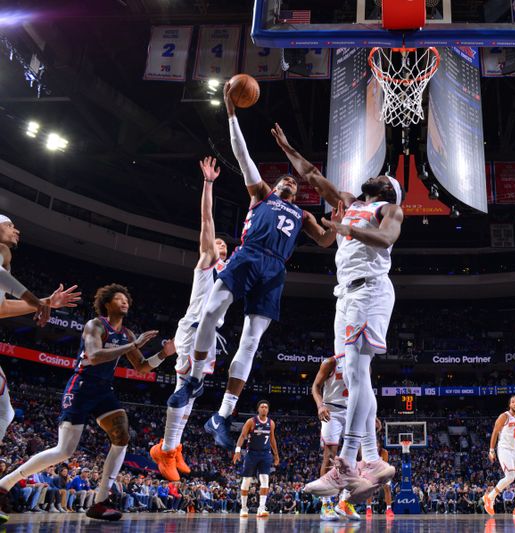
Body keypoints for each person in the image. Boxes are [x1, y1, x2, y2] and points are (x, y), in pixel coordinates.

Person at [169, 84, 337, 451]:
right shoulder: (261, 194)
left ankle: (222, 415)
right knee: (211, 311)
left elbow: (326, 241)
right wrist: (231, 113)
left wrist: (338, 224)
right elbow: (242, 155)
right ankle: (195, 378)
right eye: (285, 179)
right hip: (249, 254)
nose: (290, 181)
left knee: (251, 341)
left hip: (275, 270)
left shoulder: (303, 213)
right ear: (275, 186)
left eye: (294, 181)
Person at [272, 122, 403, 503]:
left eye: (382, 176)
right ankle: (373, 460)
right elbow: (312, 176)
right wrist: (287, 147)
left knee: (359, 374)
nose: (376, 175)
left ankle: (347, 463)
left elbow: (386, 240)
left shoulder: (389, 209)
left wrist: (344, 229)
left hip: (370, 291)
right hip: (345, 296)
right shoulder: (350, 201)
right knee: (353, 374)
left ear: (387, 190)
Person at [0, 284, 175, 521]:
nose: (125, 302)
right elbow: (93, 356)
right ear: (107, 304)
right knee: (64, 451)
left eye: (127, 299)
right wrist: (133, 346)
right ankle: (6, 482)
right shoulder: (95, 325)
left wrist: (164, 354)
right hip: (81, 386)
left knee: (122, 436)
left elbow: (142, 367)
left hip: (104, 390)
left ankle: (100, 501)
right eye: (119, 298)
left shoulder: (128, 334)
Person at [151, 157, 230, 481]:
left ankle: (174, 445)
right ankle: (166, 450)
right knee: (185, 385)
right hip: (194, 328)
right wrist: (208, 184)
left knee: (193, 391)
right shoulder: (207, 262)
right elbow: (206, 220)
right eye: (218, 242)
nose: (219, 243)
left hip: (210, 335)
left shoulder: (230, 272)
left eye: (225, 243)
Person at [0, 214, 81, 449]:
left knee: (6, 412)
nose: (17, 231)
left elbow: (2, 308)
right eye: (10, 226)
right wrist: (37, 302)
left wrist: (46, 301)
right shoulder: (3, 251)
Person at [310, 353, 352, 520]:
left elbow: (365, 391)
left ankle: (344, 503)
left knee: (355, 458)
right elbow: (315, 387)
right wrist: (320, 406)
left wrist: (371, 414)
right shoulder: (331, 362)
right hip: (331, 410)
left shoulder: (364, 362)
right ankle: (326, 504)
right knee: (330, 457)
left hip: (352, 410)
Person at [483, 396, 515, 518]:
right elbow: (495, 432)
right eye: (513, 402)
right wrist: (491, 450)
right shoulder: (504, 416)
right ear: (510, 405)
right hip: (505, 449)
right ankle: (490, 497)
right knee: (510, 477)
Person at [233, 400, 279, 518]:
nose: (264, 409)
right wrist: (237, 450)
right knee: (247, 481)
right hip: (251, 454)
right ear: (258, 409)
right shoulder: (251, 422)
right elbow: (242, 436)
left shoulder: (271, 423)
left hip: (265, 454)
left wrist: (276, 455)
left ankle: (261, 508)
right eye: (262, 407)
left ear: (268, 410)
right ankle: (243, 508)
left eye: (266, 407)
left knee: (265, 480)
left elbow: (272, 439)